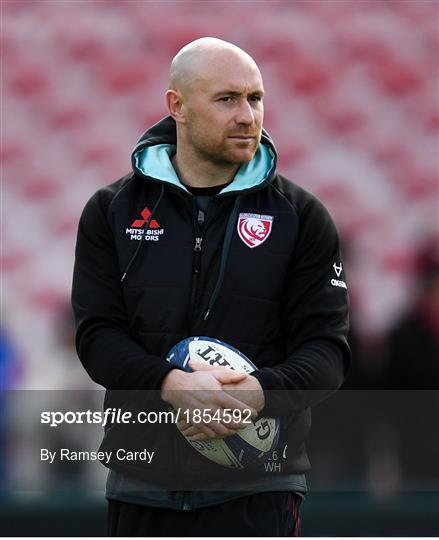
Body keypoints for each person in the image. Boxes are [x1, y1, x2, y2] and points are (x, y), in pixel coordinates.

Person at [72, 37, 350, 537]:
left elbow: (327, 353)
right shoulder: (109, 211)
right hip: (142, 483)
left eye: (256, 98)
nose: (247, 115)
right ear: (176, 106)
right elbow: (97, 338)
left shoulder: (302, 217)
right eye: (227, 99)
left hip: (258, 491)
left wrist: (257, 394)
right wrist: (171, 385)